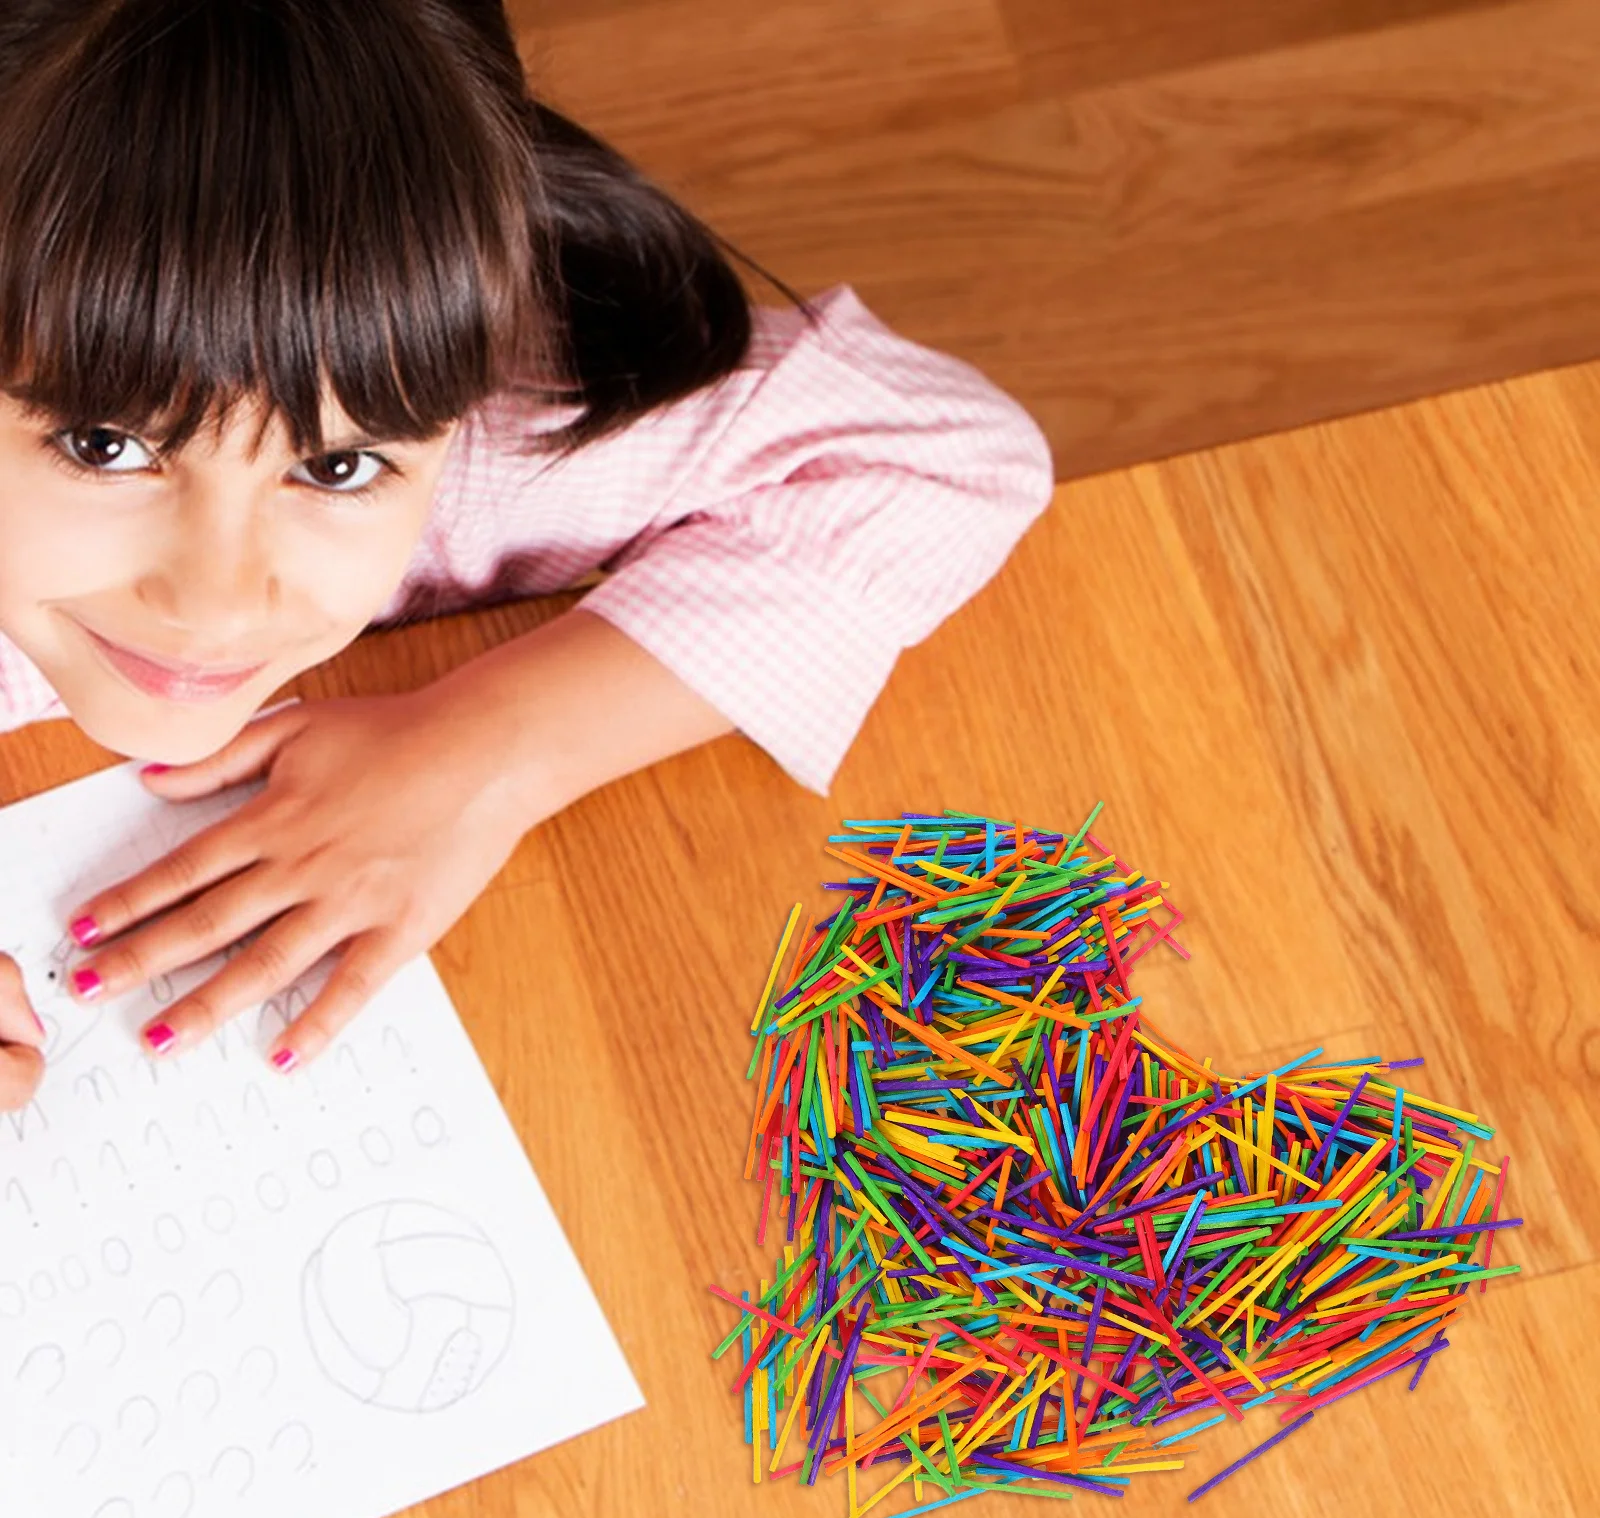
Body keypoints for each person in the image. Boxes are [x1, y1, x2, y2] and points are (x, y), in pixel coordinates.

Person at [0, 0, 1053, 1110]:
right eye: (104, 444)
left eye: (340, 469)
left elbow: (949, 459)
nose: (214, 602)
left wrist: (491, 754)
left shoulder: (504, 442)